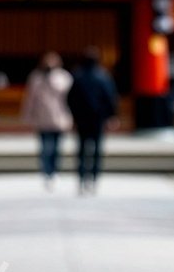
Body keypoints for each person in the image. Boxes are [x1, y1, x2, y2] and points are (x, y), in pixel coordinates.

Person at [66, 46, 119, 195]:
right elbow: (110, 98)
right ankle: (94, 178)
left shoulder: (77, 76)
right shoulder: (103, 76)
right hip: (98, 118)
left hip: (82, 119)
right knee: (96, 149)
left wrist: (73, 115)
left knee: (82, 149)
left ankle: (82, 178)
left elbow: (70, 99)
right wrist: (111, 116)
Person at [23, 51, 73, 190]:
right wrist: (28, 115)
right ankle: (46, 171)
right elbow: (30, 99)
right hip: (42, 118)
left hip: (59, 117)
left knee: (57, 147)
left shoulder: (64, 77)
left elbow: (69, 97)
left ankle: (54, 170)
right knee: (45, 147)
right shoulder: (36, 77)